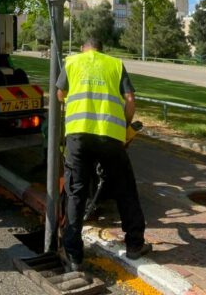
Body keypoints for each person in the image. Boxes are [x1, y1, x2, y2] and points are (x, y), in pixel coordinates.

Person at [57, 36, 151, 271]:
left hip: (78, 137)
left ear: (83, 48)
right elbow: (130, 100)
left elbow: (60, 94)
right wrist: (125, 127)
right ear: (102, 49)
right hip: (110, 136)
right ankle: (134, 245)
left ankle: (74, 255)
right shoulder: (115, 64)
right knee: (125, 189)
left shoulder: (72, 62)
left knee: (76, 192)